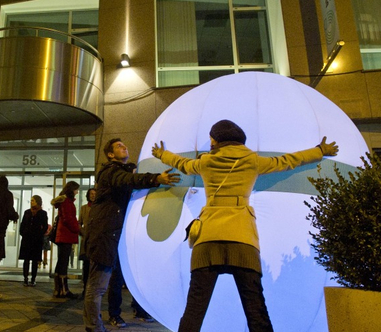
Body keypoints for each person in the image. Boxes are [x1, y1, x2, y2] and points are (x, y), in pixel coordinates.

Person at [151, 119, 338, 332]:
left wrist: (161, 154)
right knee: (256, 309)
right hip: (243, 239)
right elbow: (287, 161)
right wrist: (319, 150)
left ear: (215, 140)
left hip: (208, 238)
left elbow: (182, 164)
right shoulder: (253, 161)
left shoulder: (205, 162)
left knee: (194, 310)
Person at [83, 138, 181, 332]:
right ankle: (93, 327)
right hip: (104, 236)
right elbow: (127, 180)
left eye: (124, 144)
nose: (125, 146)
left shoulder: (120, 171)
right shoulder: (111, 172)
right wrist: (156, 179)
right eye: (119, 146)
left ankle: (98, 323)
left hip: (112, 235)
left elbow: (129, 177)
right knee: (98, 286)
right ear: (110, 155)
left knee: (103, 283)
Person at [51, 181, 81, 299]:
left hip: (62, 235)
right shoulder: (67, 202)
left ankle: (58, 289)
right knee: (63, 262)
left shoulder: (63, 202)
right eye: (76, 189)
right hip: (66, 235)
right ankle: (64, 290)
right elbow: (68, 219)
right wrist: (77, 228)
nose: (77, 192)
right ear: (72, 190)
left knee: (61, 262)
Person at [18, 195, 47, 287]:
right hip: (27, 238)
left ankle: (33, 279)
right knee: (26, 259)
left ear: (38, 202)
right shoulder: (27, 212)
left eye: (33, 200)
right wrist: (23, 232)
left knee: (35, 260)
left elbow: (45, 225)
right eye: (31, 200)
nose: (31, 202)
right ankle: (25, 278)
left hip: (36, 239)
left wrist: (40, 233)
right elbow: (23, 224)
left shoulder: (42, 213)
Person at [78, 188, 95, 298]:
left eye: (95, 194)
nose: (93, 196)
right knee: (86, 265)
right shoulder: (84, 208)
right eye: (91, 194)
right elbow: (79, 223)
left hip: (96, 240)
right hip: (86, 240)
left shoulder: (99, 207)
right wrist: (84, 233)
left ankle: (92, 289)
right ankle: (85, 287)